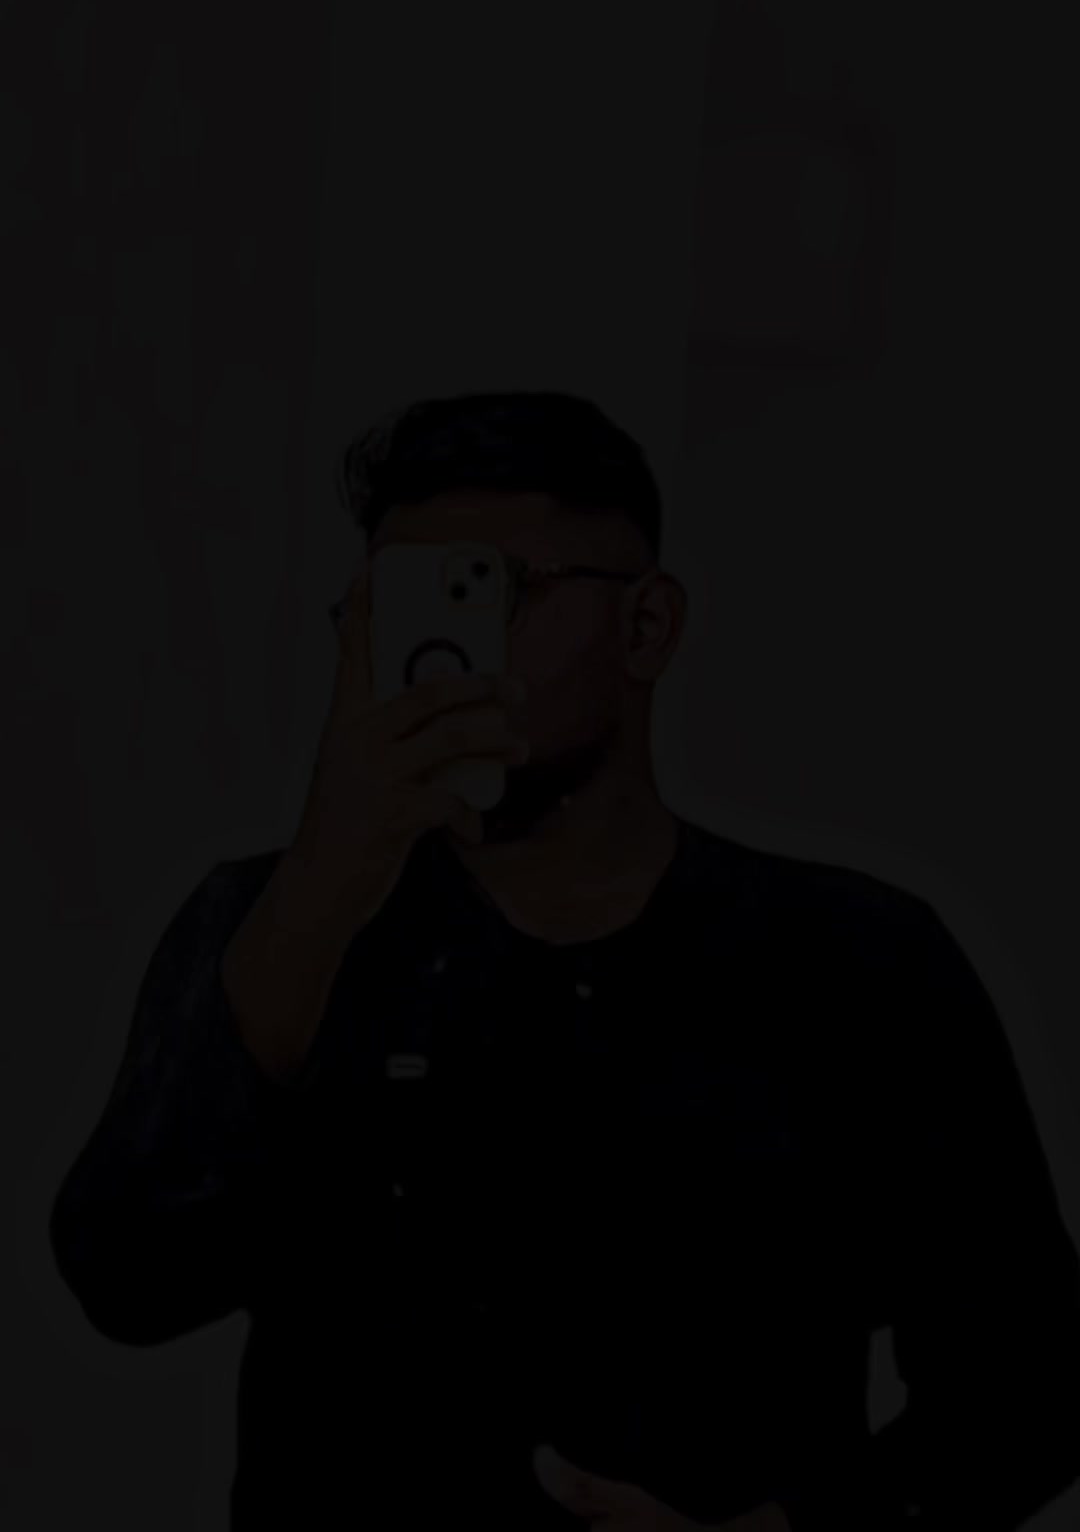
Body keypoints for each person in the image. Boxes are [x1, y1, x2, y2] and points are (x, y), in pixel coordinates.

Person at [49, 391, 1080, 1530]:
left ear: (646, 628)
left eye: (496, 590)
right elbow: (126, 1278)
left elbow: (1030, 1380)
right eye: (391, 609)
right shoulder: (273, 922)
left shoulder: (856, 959)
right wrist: (318, 890)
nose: (439, 652)